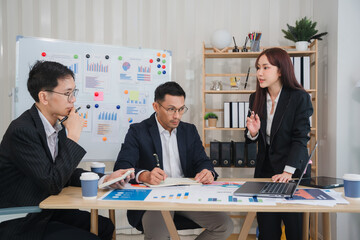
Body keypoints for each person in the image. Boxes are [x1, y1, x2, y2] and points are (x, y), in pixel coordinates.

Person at [0, 61, 135, 240]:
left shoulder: (55, 126)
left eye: (73, 93)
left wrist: (104, 179)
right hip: (23, 218)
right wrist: (73, 136)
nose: (73, 100)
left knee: (106, 227)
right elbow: (53, 182)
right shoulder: (22, 130)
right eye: (67, 94)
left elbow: (65, 174)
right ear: (44, 97)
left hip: (47, 210)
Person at [114, 81, 234, 240]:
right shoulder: (138, 131)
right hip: (153, 198)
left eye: (181, 109)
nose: (177, 115)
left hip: (187, 195)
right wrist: (144, 175)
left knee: (225, 225)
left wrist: (207, 171)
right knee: (159, 236)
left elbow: (202, 161)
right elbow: (122, 166)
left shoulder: (189, 130)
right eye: (171, 109)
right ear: (156, 107)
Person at [245, 48, 313, 240]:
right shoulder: (255, 98)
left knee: (295, 232)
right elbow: (251, 137)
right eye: (258, 67)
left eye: (265, 67)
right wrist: (253, 132)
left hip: (293, 175)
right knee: (267, 233)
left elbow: (300, 139)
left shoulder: (299, 97)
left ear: (281, 70)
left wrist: (288, 172)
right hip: (265, 174)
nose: (259, 73)